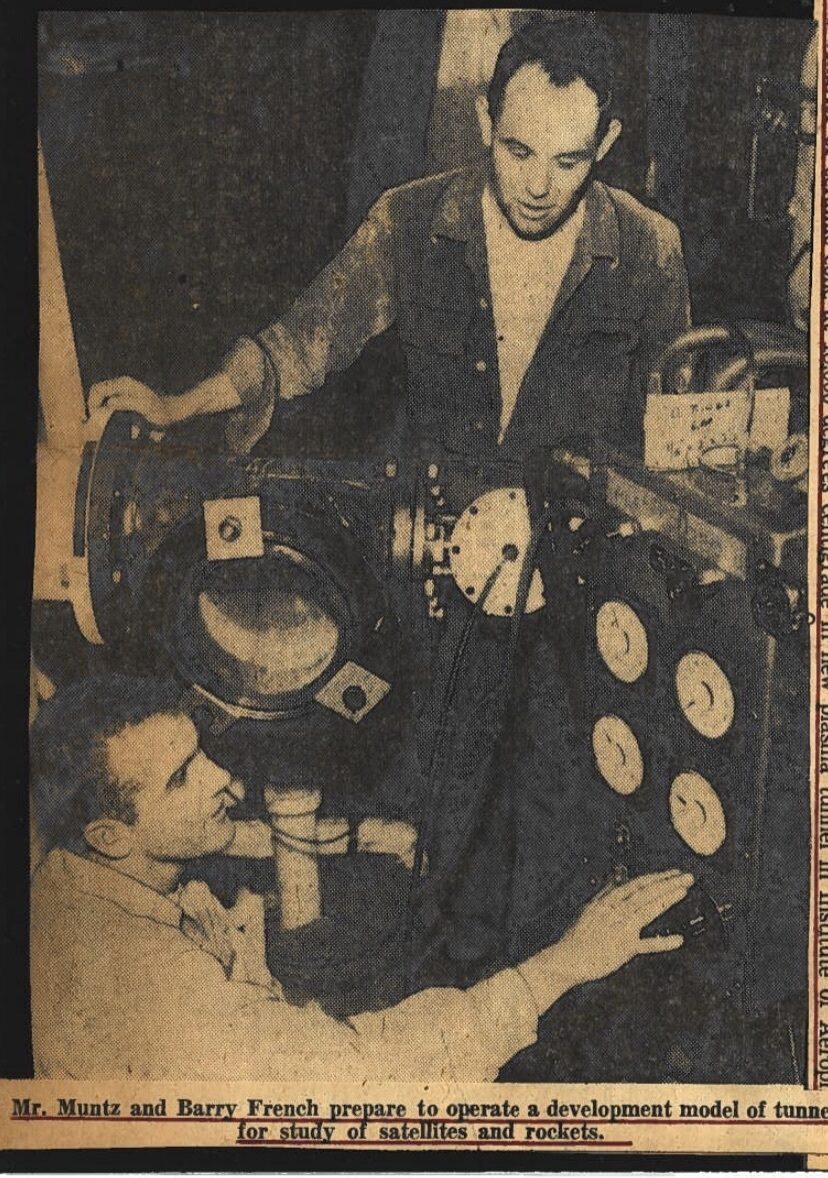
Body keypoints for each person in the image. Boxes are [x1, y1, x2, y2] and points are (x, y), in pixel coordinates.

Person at [30, 674, 692, 1081]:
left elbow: (242, 831)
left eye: (201, 754)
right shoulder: (152, 990)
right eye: (183, 778)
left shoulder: (76, 872)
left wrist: (367, 835)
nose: (226, 780)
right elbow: (369, 1075)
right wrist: (568, 961)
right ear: (109, 836)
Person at [88, 15, 690, 461]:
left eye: (568, 162)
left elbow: (674, 440)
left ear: (605, 144)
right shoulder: (409, 221)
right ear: (486, 122)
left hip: (574, 564)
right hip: (434, 540)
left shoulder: (651, 251)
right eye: (517, 151)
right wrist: (178, 404)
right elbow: (299, 345)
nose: (538, 186)